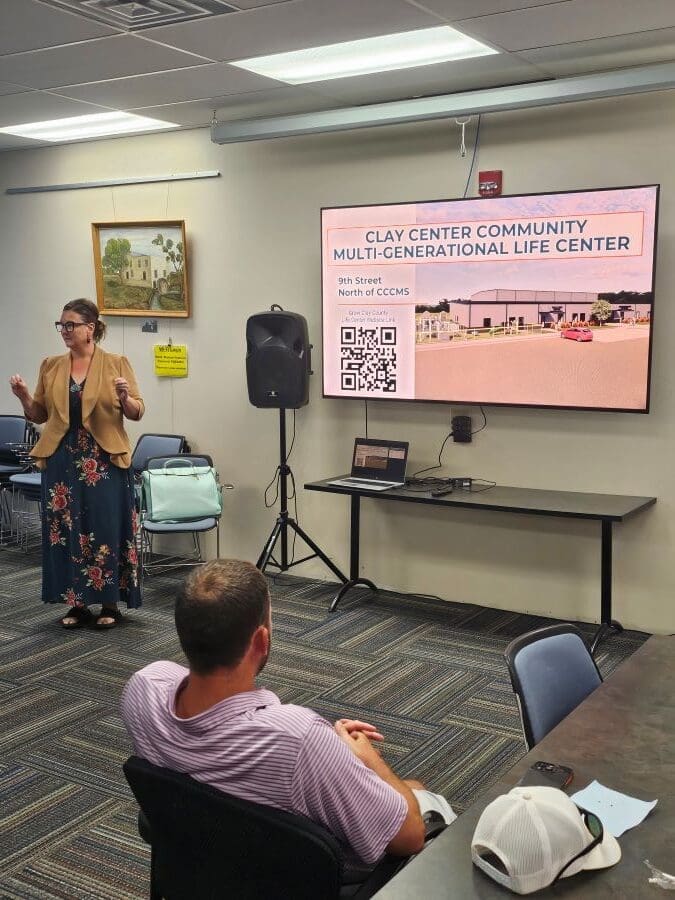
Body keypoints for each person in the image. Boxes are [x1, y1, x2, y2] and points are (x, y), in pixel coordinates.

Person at [121, 559, 456, 875]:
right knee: (426, 800)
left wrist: (334, 755)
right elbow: (409, 836)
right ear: (261, 640)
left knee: (410, 788)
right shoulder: (298, 740)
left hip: (202, 863)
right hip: (300, 880)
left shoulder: (143, 689)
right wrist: (368, 759)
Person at [9, 298, 144, 629]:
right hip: (62, 460)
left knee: (105, 528)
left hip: (104, 461)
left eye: (70, 325)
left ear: (90, 328)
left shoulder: (116, 363)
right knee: (66, 531)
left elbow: (137, 411)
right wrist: (24, 395)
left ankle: (110, 603)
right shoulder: (51, 366)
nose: (64, 331)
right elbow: (40, 414)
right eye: (61, 325)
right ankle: (77, 603)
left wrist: (125, 398)